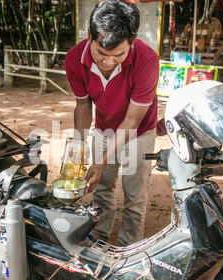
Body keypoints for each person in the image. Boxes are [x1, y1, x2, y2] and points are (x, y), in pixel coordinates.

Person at [64, 0, 159, 246]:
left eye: (118, 55)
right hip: (103, 128)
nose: (107, 62)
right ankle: (100, 241)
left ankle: (130, 248)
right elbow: (83, 105)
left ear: (133, 41)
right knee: (102, 188)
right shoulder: (74, 59)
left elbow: (131, 120)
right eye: (101, 54)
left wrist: (102, 159)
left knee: (134, 194)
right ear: (89, 37)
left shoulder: (147, 60)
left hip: (138, 131)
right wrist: (79, 146)